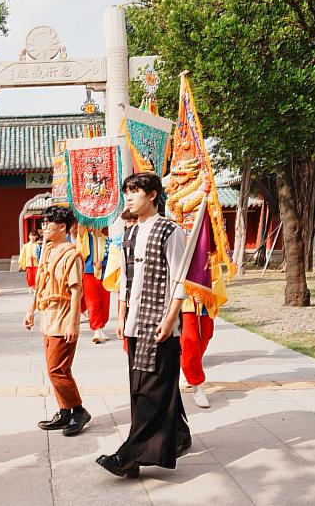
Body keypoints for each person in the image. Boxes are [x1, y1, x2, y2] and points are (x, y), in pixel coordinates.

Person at [97, 173, 192, 478]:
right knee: (142, 388)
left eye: (134, 193)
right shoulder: (130, 233)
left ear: (152, 195)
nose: (129, 199)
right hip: (136, 322)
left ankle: (128, 457)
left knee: (151, 390)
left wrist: (170, 319)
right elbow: (127, 280)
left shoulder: (169, 231)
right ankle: (176, 436)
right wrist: (121, 314)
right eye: (126, 194)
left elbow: (180, 280)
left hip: (160, 323)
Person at [24, 205, 91, 437]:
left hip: (63, 316)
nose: (44, 228)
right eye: (43, 223)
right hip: (48, 315)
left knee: (57, 369)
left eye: (48, 224)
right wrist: (30, 310)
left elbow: (76, 291)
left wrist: (74, 323)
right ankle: (65, 412)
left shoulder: (72, 254)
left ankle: (79, 410)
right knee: (55, 368)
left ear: (62, 227)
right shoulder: (48, 251)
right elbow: (40, 283)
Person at [76, 226, 112, 343]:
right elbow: (80, 230)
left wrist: (103, 263)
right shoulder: (86, 238)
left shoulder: (108, 240)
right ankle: (96, 329)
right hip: (89, 273)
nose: (97, 227)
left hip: (105, 273)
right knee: (92, 302)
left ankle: (101, 327)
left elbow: (112, 256)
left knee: (104, 301)